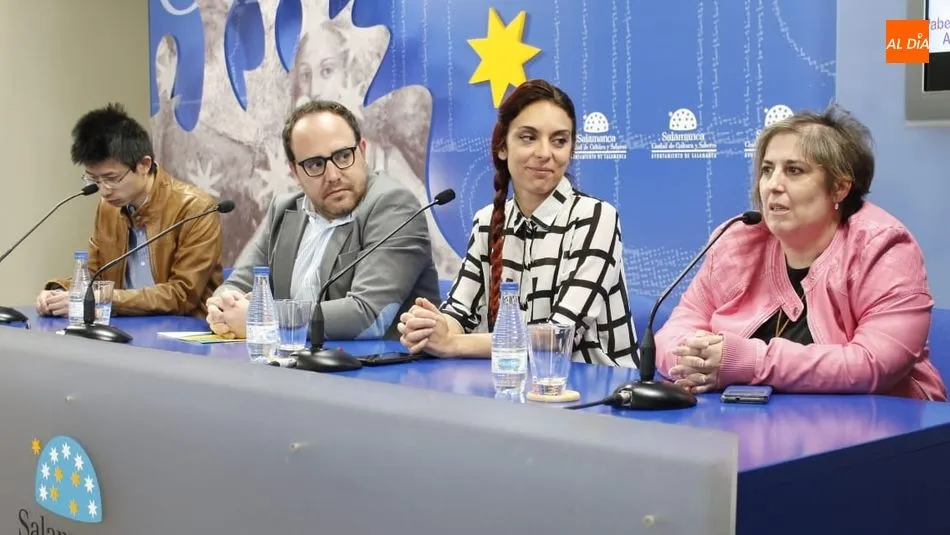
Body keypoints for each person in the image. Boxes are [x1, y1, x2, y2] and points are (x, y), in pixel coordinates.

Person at [656, 104, 947, 401]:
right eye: (767, 170)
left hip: (887, 429)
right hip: (758, 429)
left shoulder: (882, 249)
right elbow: (673, 333)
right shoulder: (737, 243)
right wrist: (695, 361)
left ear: (839, 188)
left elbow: (875, 364)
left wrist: (750, 361)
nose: (773, 185)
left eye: (794, 171)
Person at [397, 79, 638, 366]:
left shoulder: (596, 218)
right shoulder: (487, 221)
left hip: (595, 394)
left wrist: (452, 343)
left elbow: (559, 336)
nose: (545, 153)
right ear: (502, 146)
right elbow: (459, 312)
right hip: (513, 386)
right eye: (528, 137)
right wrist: (429, 328)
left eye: (559, 141)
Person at [207, 100, 441, 340]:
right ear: (295, 173)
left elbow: (367, 316)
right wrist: (222, 306)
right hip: (296, 366)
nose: (333, 175)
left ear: (362, 150)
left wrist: (263, 318)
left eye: (342, 156)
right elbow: (238, 284)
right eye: (315, 164)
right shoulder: (285, 209)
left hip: (382, 372)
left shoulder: (394, 206)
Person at [37, 103, 223, 318]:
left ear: (144, 164)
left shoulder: (196, 208)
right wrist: (60, 292)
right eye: (94, 179)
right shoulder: (108, 208)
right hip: (125, 327)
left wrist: (102, 298)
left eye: (112, 179)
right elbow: (95, 275)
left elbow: (181, 294)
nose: (104, 191)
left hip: (182, 332)